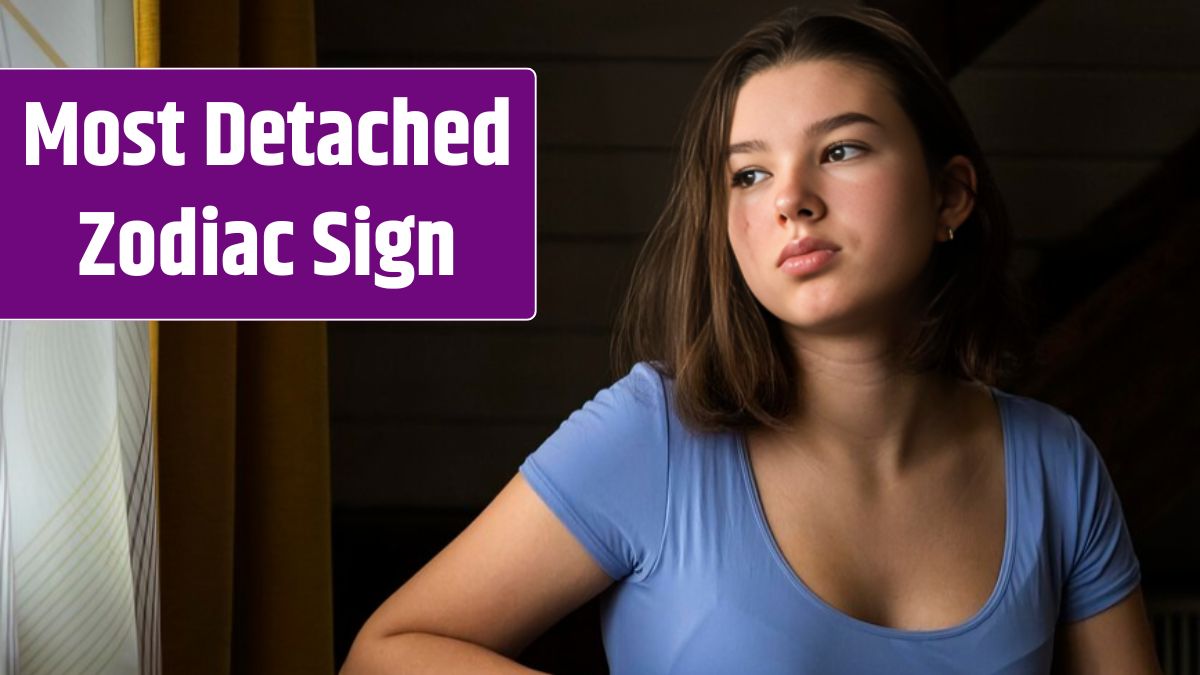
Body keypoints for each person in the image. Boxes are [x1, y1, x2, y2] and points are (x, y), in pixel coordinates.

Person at [340, 7, 1162, 674]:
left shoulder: (1057, 465)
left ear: (950, 195)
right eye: (750, 173)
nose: (791, 200)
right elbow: (387, 654)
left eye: (840, 150)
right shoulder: (652, 434)